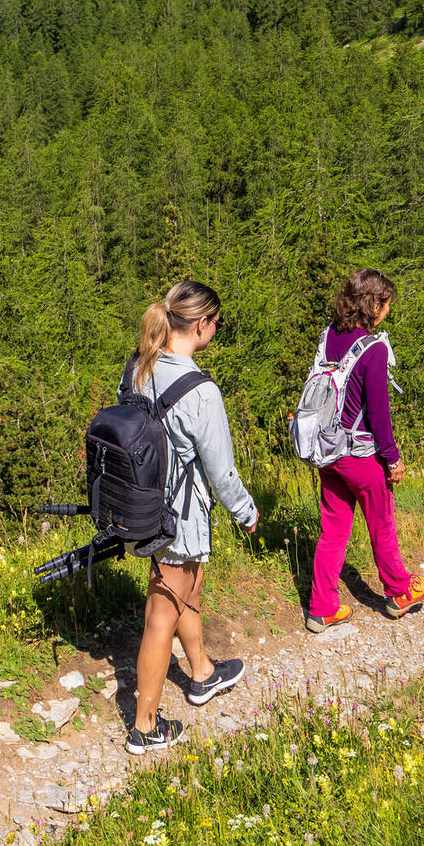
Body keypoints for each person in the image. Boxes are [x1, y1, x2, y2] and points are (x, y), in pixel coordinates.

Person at [124, 280, 259, 754]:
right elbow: (221, 473)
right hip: (179, 513)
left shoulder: (140, 367)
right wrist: (246, 511)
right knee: (162, 612)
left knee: (189, 587)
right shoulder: (201, 392)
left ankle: (200, 673)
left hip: (144, 503)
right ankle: (144, 726)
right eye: (216, 322)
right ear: (200, 325)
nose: (216, 329)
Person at [305, 268, 424, 634]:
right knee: (382, 525)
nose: (388, 310)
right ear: (374, 304)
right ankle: (399, 591)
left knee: (333, 531)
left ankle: (322, 607)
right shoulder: (373, 349)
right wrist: (392, 458)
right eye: (387, 303)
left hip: (328, 451)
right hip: (362, 457)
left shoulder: (329, 335)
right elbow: (379, 413)